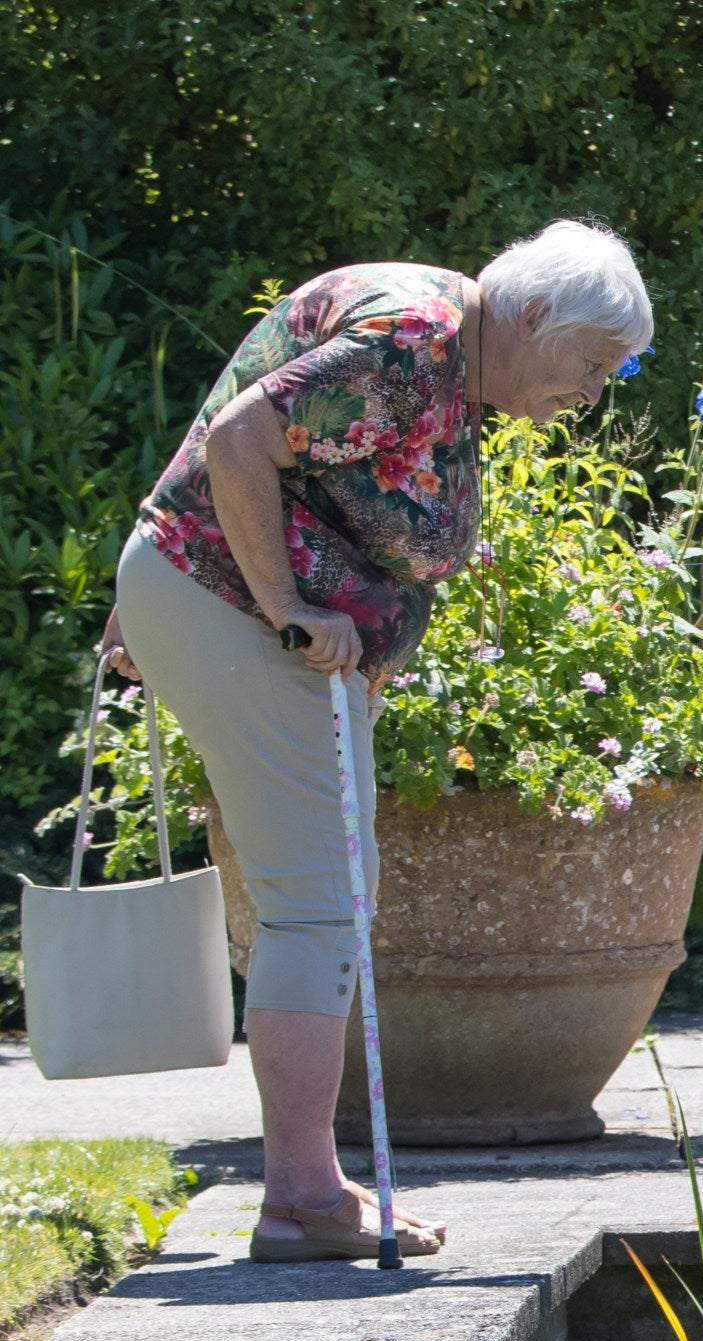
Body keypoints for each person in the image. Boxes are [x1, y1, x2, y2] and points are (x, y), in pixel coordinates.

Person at [105, 220, 653, 1260]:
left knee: (324, 902)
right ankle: (302, 1201)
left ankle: (313, 1185)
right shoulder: (413, 339)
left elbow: (256, 400)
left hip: (220, 609)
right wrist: (283, 608)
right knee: (317, 907)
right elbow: (238, 441)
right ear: (535, 317)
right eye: (591, 363)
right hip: (236, 615)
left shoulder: (443, 345)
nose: (593, 392)